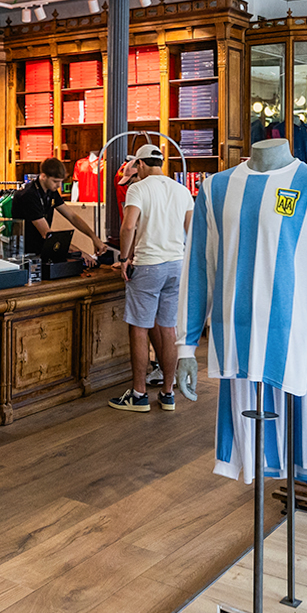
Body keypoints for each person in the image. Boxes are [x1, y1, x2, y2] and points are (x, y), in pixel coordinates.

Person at [109, 144, 193, 413]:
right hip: (176, 265)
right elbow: (190, 230)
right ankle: (168, 393)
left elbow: (129, 225)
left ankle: (138, 394)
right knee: (168, 328)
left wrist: (124, 259)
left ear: (140, 165)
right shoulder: (182, 190)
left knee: (140, 327)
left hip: (148, 266)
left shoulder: (138, 188)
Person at [13, 157, 107, 263]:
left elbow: (72, 216)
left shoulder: (50, 190)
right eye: (55, 181)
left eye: (61, 182)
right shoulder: (29, 195)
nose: (58, 185)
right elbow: (47, 234)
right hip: (25, 253)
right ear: (43, 176)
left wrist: (94, 238)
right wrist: (79, 253)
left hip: (42, 249)